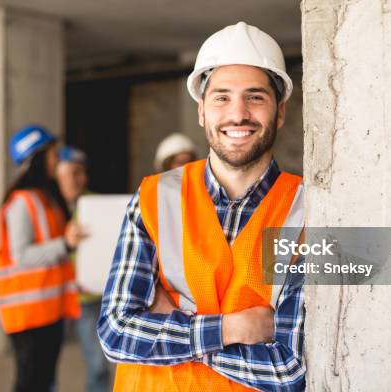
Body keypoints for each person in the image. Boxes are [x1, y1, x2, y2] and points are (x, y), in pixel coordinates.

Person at [97, 22, 306, 391]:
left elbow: (287, 371)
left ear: (280, 112)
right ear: (202, 112)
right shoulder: (154, 197)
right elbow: (116, 334)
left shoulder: (307, 210)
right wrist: (232, 328)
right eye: (221, 97)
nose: (237, 113)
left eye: (255, 96)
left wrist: (172, 324)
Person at [0, 125, 85, 392]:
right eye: (53, 155)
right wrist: (64, 243)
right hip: (28, 315)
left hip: (50, 310)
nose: (57, 161)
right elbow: (21, 256)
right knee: (30, 382)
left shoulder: (47, 199)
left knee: (45, 381)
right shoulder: (21, 202)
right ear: (37, 158)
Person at [55, 146, 111, 392]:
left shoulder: (95, 204)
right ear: (57, 173)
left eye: (83, 173)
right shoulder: (48, 206)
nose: (82, 179)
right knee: (44, 366)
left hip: (89, 297)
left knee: (99, 364)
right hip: (54, 296)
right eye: (74, 173)